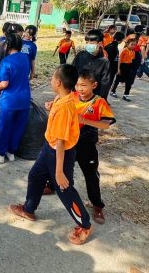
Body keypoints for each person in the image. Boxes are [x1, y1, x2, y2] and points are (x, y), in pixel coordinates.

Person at [9, 64, 94, 245]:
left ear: (58, 82)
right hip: (49, 148)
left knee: (64, 189)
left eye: (53, 77)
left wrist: (59, 171)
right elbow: (59, 118)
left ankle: (85, 225)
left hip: (59, 153)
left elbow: (61, 143)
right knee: (35, 176)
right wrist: (51, 107)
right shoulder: (64, 97)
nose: (51, 80)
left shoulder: (65, 107)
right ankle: (29, 209)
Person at [74, 70, 116, 224]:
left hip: (87, 145)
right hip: (70, 141)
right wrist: (51, 105)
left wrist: (85, 120)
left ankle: (97, 205)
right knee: (60, 166)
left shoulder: (99, 102)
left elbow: (105, 124)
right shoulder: (72, 96)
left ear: (94, 85)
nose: (80, 88)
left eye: (84, 85)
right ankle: (52, 185)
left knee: (91, 175)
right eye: (77, 85)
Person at [0, 33, 30, 164]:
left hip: (9, 100)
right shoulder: (25, 58)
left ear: (7, 45)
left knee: (5, 127)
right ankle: (12, 152)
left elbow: (5, 83)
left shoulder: (6, 61)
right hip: (24, 99)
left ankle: (1, 153)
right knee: (18, 127)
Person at [72, 29, 111, 99]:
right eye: (87, 42)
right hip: (77, 94)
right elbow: (71, 73)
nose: (88, 45)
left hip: (93, 97)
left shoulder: (104, 61)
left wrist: (99, 98)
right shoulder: (80, 55)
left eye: (92, 43)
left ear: (99, 43)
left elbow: (105, 83)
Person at [110, 37, 137, 102]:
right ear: (127, 44)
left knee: (129, 81)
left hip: (129, 67)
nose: (133, 46)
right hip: (122, 66)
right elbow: (119, 60)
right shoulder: (124, 50)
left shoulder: (133, 51)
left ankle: (126, 95)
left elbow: (132, 60)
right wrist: (118, 69)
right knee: (117, 80)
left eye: (134, 45)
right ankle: (113, 91)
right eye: (132, 44)